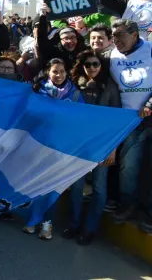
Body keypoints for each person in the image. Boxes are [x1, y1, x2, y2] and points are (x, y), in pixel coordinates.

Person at [63, 50, 120, 245]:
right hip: (79, 147)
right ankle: (74, 224)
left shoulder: (110, 87)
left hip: (103, 146)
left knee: (99, 188)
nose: (92, 68)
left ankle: (90, 229)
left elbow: (116, 122)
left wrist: (112, 149)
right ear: (82, 66)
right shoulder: (74, 86)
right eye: (88, 64)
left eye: (96, 64)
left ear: (102, 66)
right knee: (77, 188)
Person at [25, 58, 81, 240]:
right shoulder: (37, 90)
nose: (59, 75)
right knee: (37, 183)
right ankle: (33, 220)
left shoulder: (75, 94)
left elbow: (83, 120)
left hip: (62, 148)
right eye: (55, 71)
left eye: (62, 71)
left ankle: (46, 223)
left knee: (52, 186)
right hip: (39, 144)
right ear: (48, 72)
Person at [108, 19, 152, 226]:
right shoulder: (112, 55)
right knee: (129, 167)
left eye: (120, 35)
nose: (116, 40)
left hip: (150, 118)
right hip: (129, 121)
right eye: (114, 36)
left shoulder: (150, 49)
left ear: (135, 35)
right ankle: (128, 205)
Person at [36, 7, 86, 71]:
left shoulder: (82, 50)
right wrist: (43, 16)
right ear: (60, 39)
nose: (70, 41)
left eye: (73, 37)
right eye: (66, 38)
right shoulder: (52, 51)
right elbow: (42, 38)